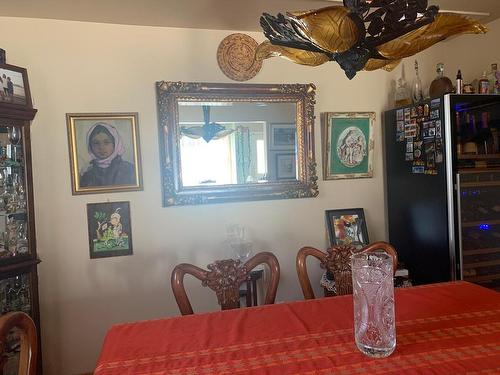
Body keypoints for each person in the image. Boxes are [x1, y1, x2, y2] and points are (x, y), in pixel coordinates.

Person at [80, 122, 135, 187]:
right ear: (90, 146)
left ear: (115, 144)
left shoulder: (129, 170)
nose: (101, 147)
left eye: (106, 142)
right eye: (96, 143)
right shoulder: (87, 176)